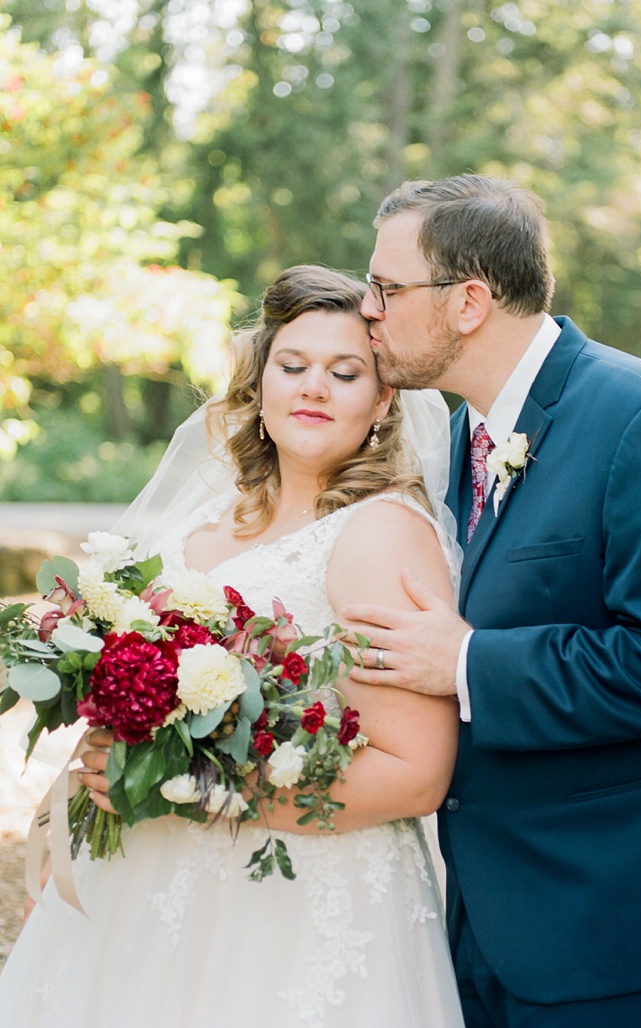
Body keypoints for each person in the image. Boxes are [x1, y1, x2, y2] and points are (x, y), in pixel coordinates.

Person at [343, 174, 641, 1027]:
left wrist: (464, 661)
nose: (367, 309)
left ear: (468, 301)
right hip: (492, 911)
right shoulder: (457, 428)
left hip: (630, 918)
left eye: (386, 288)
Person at [0, 265, 466, 1027]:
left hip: (290, 901)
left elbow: (415, 775)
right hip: (145, 881)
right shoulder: (211, 522)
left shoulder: (380, 533)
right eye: (293, 365)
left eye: (344, 372)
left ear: (384, 399)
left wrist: (196, 794)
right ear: (260, 384)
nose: (313, 387)